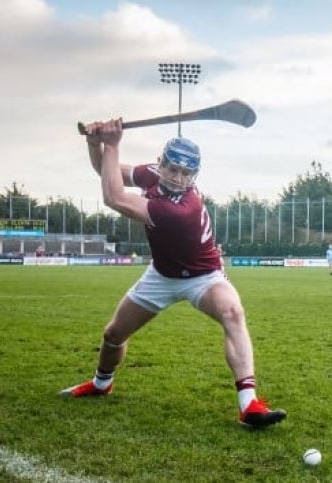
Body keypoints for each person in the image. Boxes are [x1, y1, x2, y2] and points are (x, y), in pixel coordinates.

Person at [60, 118, 285, 428]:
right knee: (113, 334)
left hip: (203, 276)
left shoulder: (182, 210)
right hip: (161, 276)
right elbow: (106, 172)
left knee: (232, 312)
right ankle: (102, 383)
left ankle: (249, 404)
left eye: (187, 173)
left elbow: (113, 197)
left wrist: (111, 143)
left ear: (195, 175)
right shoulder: (151, 175)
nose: (179, 178)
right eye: (173, 170)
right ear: (160, 164)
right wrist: (94, 144)